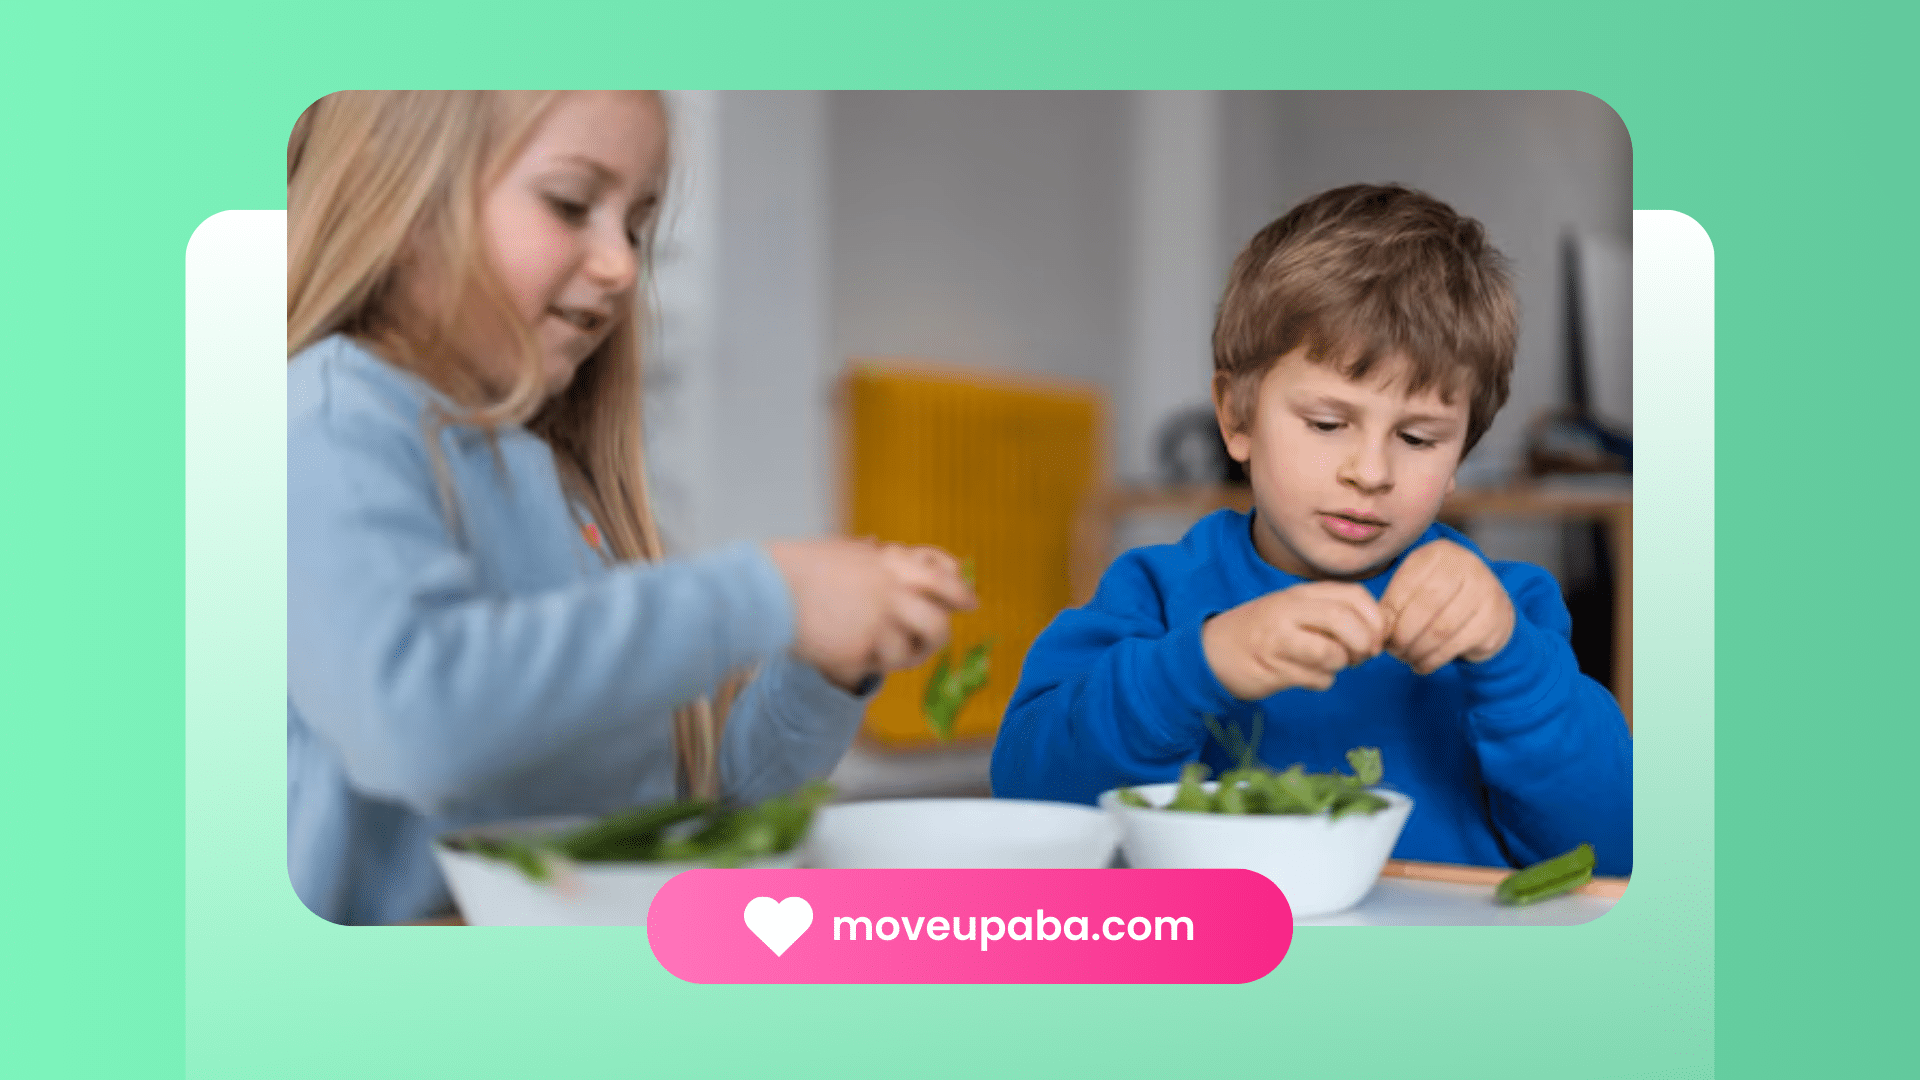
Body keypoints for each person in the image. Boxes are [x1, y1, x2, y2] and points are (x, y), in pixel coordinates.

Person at [288, 90, 975, 925]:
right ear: (400, 194)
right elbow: (413, 716)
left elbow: (700, 824)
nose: (619, 264)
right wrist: (769, 593)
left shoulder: (560, 488)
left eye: (636, 226)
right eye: (571, 204)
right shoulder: (326, 424)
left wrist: (824, 663)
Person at [992, 184, 1631, 876]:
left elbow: (1614, 850)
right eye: (1328, 424)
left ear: (1460, 459)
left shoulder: (1510, 614)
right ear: (1235, 419)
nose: (1370, 471)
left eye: (1418, 439)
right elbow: (1033, 801)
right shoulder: (1155, 594)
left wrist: (1511, 664)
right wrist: (1194, 667)